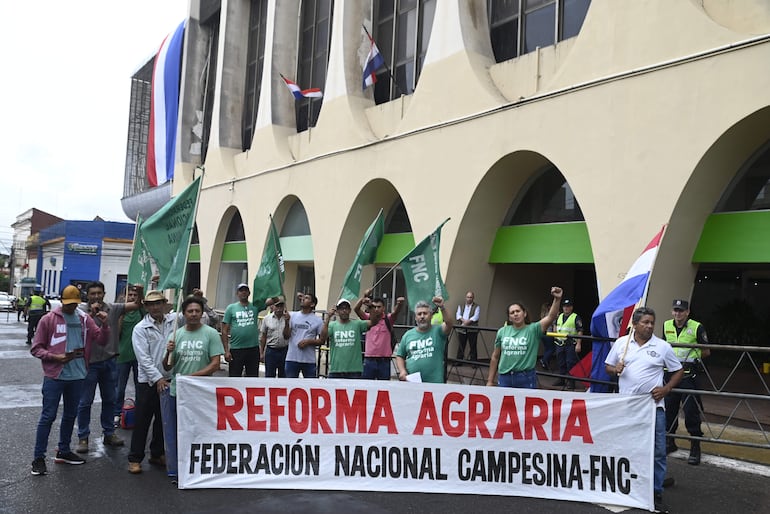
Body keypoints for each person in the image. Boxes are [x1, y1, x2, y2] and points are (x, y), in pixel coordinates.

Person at [605, 307, 684, 514]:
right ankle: (627, 486)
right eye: (645, 322)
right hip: (626, 406)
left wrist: (666, 389)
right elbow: (608, 367)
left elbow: (678, 370)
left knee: (658, 451)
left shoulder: (662, 346)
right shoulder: (622, 343)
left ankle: (656, 492)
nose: (649, 326)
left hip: (652, 407)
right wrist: (616, 369)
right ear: (635, 324)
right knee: (626, 447)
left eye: (652, 322)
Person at [29, 285, 110, 476]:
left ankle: (63, 451)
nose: (71, 307)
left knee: (70, 415)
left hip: (78, 375)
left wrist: (105, 325)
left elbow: (101, 340)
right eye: (68, 304)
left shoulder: (84, 318)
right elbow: (36, 348)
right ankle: (38, 457)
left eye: (74, 304)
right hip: (55, 376)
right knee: (48, 416)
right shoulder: (48, 319)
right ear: (61, 301)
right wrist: (55, 357)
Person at [76, 281, 142, 454]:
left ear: (104, 293)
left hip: (110, 361)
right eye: (93, 293)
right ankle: (83, 437)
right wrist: (92, 313)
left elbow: (136, 305)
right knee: (85, 402)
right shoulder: (81, 312)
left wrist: (140, 291)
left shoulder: (113, 308)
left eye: (99, 293)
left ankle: (109, 433)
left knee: (110, 399)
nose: (96, 296)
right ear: (87, 295)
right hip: (89, 364)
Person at [162, 295, 224, 480]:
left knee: (200, 430)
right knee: (178, 430)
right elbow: (166, 367)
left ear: (202, 313)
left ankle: (199, 468)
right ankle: (179, 469)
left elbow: (215, 364)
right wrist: (168, 353)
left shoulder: (211, 333)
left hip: (200, 392)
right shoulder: (176, 334)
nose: (194, 314)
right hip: (177, 392)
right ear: (184, 314)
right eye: (190, 311)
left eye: (197, 311)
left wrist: (190, 378)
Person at [127, 290, 176, 474]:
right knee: (142, 420)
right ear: (146, 306)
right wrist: (157, 378)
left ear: (164, 303)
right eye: (151, 304)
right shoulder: (141, 328)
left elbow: (197, 313)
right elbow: (143, 359)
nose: (155, 307)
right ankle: (135, 457)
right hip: (148, 381)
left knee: (163, 419)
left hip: (169, 378)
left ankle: (156, 453)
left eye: (158, 303)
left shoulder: (174, 322)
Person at [663, 299, 711, 465]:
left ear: (687, 312)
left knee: (691, 411)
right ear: (672, 311)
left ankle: (695, 446)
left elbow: (706, 351)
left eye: (681, 311)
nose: (678, 314)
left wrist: (692, 360)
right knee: (669, 410)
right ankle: (670, 442)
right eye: (675, 310)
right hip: (670, 375)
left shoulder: (697, 327)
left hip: (689, 376)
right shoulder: (666, 325)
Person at [486, 287, 563, 389]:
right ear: (509, 317)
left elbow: (550, 317)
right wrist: (490, 381)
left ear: (524, 313)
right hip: (505, 377)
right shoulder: (502, 331)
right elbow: (495, 356)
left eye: (518, 311)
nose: (515, 314)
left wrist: (557, 299)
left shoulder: (533, 329)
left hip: (525, 378)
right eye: (512, 313)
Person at [395, 297, 453, 383]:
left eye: (425, 313)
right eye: (419, 314)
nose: (422, 316)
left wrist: (442, 307)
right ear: (415, 317)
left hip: (434, 384)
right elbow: (400, 356)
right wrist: (402, 371)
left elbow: (449, 323)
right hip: (413, 384)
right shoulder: (408, 335)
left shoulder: (438, 331)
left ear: (431, 315)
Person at [354, 290, 405, 380]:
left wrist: (399, 304)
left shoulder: (388, 319)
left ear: (384, 308)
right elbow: (356, 309)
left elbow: (395, 313)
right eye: (374, 307)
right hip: (369, 359)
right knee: (367, 387)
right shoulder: (367, 318)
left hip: (384, 360)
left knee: (383, 388)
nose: (376, 309)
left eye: (379, 307)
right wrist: (364, 297)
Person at [114, 285, 145, 427]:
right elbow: (116, 333)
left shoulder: (141, 311)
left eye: (134, 295)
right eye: (130, 295)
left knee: (140, 386)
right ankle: (116, 413)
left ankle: (139, 414)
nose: (132, 297)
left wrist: (141, 292)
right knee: (119, 388)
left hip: (138, 355)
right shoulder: (120, 311)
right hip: (122, 355)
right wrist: (120, 316)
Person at [321, 299, 370, 379]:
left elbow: (373, 322)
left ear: (350, 310)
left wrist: (370, 306)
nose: (344, 311)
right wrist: (327, 318)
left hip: (354, 371)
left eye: (346, 308)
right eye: (341, 308)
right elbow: (322, 338)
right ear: (337, 311)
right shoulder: (332, 325)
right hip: (336, 370)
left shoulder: (357, 324)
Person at [221, 283, 260, 377]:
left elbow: (273, 301)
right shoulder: (231, 308)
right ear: (237, 293)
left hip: (253, 348)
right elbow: (224, 330)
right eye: (241, 290)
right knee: (234, 376)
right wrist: (226, 351)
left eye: (245, 290)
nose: (243, 292)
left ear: (249, 293)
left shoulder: (255, 306)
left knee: (253, 377)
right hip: (236, 349)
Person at [283, 292, 324, 378]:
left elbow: (322, 340)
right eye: (303, 298)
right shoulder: (292, 315)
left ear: (312, 304)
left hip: (309, 360)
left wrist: (309, 342)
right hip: (292, 358)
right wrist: (286, 322)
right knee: (290, 385)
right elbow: (286, 336)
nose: (303, 299)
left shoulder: (318, 320)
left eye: (307, 298)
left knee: (310, 387)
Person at [553, 298, 583, 390]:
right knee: (561, 362)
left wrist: (578, 344)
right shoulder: (559, 316)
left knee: (570, 363)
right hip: (559, 343)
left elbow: (580, 331)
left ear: (571, 308)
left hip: (570, 344)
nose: (566, 308)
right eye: (565, 306)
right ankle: (561, 379)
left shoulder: (575, 317)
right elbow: (555, 325)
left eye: (568, 307)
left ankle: (571, 382)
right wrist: (555, 335)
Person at [260, 296, 290, 377]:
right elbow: (263, 336)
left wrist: (287, 322)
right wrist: (261, 352)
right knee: (269, 375)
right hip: (271, 351)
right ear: (272, 307)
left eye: (281, 306)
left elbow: (287, 336)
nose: (279, 308)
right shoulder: (266, 319)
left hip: (284, 350)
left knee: (283, 375)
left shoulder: (288, 318)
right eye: (277, 306)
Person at [455, 291, 481, 363]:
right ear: (465, 297)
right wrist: (463, 321)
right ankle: (458, 361)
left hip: (472, 329)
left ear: (473, 298)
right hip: (462, 329)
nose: (469, 299)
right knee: (461, 346)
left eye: (470, 297)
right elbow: (458, 315)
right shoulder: (461, 305)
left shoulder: (477, 306)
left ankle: (474, 363)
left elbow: (476, 317)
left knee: (473, 346)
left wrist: (466, 322)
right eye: (468, 297)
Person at [539, 301, 556, 371]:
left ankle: (546, 364)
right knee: (552, 349)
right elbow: (554, 325)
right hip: (549, 334)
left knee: (547, 349)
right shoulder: (551, 315)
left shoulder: (543, 314)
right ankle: (544, 360)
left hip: (543, 334)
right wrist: (556, 335)